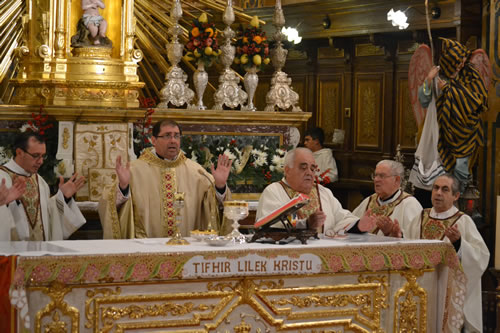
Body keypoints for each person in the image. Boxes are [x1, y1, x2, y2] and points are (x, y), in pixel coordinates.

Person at [99, 120, 232, 238]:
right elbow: (108, 203)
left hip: (186, 248)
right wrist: (123, 187)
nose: (173, 140)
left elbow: (214, 208)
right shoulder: (134, 170)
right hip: (147, 250)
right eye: (167, 135)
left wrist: (220, 186)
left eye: (177, 136)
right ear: (154, 140)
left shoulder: (196, 172)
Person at [403, 174, 489, 333]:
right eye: (435, 188)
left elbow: (481, 256)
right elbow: (407, 246)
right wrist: (396, 235)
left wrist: (459, 243)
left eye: (445, 189)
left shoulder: (463, 221)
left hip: (447, 291)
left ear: (455, 196)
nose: (438, 193)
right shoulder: (421, 217)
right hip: (418, 288)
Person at [411, 38, 488, 202]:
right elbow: (424, 101)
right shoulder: (437, 75)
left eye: (462, 61)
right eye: (457, 62)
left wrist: (449, 90)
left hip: (463, 131)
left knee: (460, 170)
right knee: (439, 171)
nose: (460, 65)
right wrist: (428, 80)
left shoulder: (469, 75)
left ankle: (456, 201)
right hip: (439, 129)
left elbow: (476, 101)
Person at [256, 148, 374, 235]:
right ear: (287, 170)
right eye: (303, 167)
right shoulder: (274, 191)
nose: (309, 172)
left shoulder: (323, 192)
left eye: (312, 168)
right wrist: (307, 224)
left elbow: (342, 218)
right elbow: (271, 227)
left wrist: (359, 225)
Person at [0, 132, 86, 241]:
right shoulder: (1, 178)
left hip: (40, 252)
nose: (40, 161)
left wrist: (63, 197)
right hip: (11, 254)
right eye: (35, 156)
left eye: (43, 156)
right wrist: (4, 203)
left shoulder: (40, 181)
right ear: (19, 152)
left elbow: (48, 217)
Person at [352, 160, 422, 237]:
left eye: (382, 176)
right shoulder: (369, 200)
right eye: (375, 175)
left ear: (397, 180)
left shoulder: (410, 204)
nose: (376, 179)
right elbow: (350, 227)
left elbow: (415, 237)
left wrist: (394, 234)